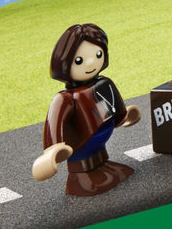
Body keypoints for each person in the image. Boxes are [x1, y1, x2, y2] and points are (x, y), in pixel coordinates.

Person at [32, 23, 141, 196]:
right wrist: (52, 149)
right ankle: (80, 176)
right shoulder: (65, 99)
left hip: (100, 142)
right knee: (85, 165)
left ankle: (103, 166)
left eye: (98, 54)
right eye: (79, 60)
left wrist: (124, 116)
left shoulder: (104, 83)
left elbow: (112, 105)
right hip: (80, 147)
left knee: (102, 160)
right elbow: (54, 121)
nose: (91, 62)